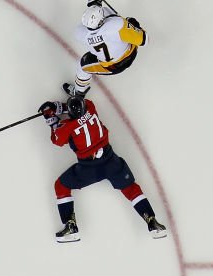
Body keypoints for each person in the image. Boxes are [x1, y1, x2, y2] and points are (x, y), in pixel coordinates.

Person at [38, 96, 167, 243]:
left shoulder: (67, 127)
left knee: (61, 186)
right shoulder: (91, 109)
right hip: (110, 160)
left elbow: (56, 139)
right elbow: (82, 105)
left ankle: (70, 226)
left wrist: (51, 117)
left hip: (88, 168)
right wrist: (59, 107)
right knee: (130, 188)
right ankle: (152, 221)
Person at [64, 0, 146, 98]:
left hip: (113, 64)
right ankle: (79, 94)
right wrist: (134, 25)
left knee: (83, 65)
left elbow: (95, 24)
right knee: (114, 17)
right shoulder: (116, 25)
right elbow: (143, 40)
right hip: (130, 54)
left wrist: (93, 3)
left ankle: (79, 91)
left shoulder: (81, 34)